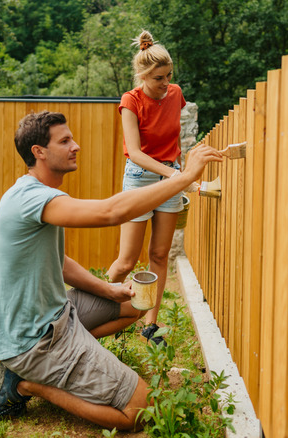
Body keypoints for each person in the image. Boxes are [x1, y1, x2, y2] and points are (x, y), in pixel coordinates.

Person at [0, 110, 221, 430]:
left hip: (59, 315)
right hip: (36, 342)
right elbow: (110, 212)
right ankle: (25, 384)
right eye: (65, 140)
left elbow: (60, 261)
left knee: (135, 303)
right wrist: (183, 177)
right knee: (142, 409)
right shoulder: (30, 199)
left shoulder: (35, 193)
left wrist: (107, 289)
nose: (76, 146)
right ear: (38, 152)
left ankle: (73, 357)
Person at [106, 30, 197, 345]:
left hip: (170, 175)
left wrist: (177, 169)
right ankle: (99, 309)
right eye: (159, 77)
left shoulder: (175, 94)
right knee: (127, 260)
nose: (165, 82)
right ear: (143, 76)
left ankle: (150, 325)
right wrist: (176, 177)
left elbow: (172, 137)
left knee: (159, 254)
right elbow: (136, 151)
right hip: (141, 179)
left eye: (169, 75)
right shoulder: (131, 101)